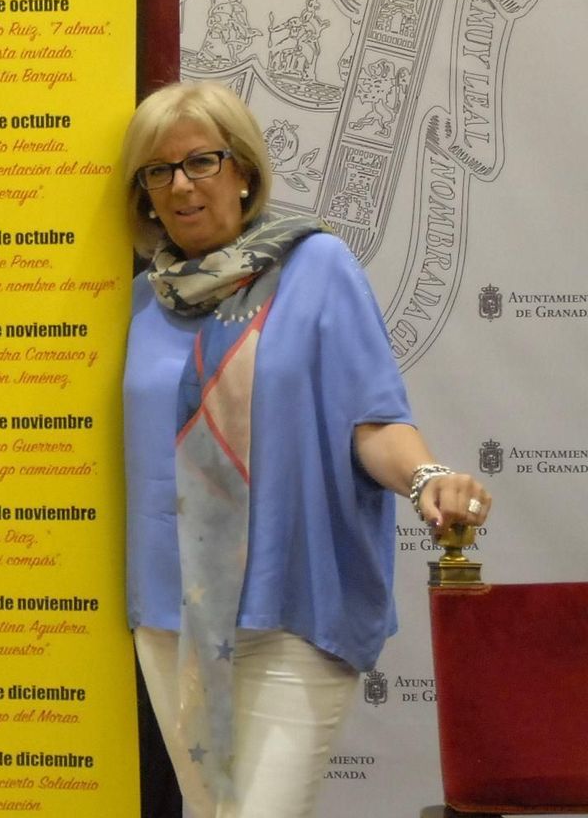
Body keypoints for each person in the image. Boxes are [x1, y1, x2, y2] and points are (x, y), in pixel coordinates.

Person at [119, 80, 493, 818]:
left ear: (244, 170)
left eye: (201, 161)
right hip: (175, 619)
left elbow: (374, 419)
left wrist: (426, 478)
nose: (182, 185)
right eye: (158, 171)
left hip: (290, 608)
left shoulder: (317, 268)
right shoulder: (139, 301)